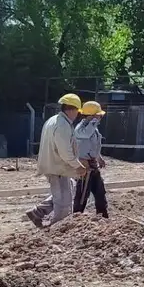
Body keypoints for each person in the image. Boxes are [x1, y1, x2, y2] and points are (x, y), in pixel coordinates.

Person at [26, 93, 86, 227]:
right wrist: (78, 165)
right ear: (71, 109)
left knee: (64, 192)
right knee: (63, 201)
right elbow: (65, 151)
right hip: (58, 167)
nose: (77, 114)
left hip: (54, 165)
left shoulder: (54, 120)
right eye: (77, 111)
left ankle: (38, 212)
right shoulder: (62, 125)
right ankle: (58, 227)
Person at [73, 101, 109, 219]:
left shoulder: (93, 129)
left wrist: (99, 158)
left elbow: (93, 146)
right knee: (82, 195)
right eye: (98, 115)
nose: (100, 118)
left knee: (100, 193)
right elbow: (86, 135)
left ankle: (103, 217)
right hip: (85, 167)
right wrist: (93, 121)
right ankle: (77, 218)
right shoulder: (81, 129)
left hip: (93, 165)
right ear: (91, 115)